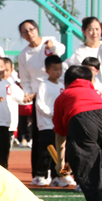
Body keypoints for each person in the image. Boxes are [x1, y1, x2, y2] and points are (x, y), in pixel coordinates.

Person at [53, 66, 102, 201]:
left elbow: (61, 136)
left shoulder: (64, 96)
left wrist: (60, 163)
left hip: (82, 118)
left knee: (85, 166)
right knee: (101, 161)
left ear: (66, 82)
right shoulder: (94, 92)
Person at [17, 19, 65, 167]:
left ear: (37, 29)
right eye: (25, 32)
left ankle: (59, 170)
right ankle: (40, 172)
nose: (29, 33)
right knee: (41, 136)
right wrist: (29, 94)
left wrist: (54, 46)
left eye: (31, 29)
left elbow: (61, 50)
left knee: (60, 134)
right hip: (40, 97)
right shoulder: (24, 54)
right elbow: (24, 78)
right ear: (22, 36)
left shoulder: (49, 42)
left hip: (56, 91)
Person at [35, 55, 68, 187]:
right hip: (46, 124)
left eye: (60, 69)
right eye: (55, 69)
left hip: (58, 124)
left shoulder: (62, 85)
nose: (58, 72)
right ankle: (40, 175)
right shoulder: (43, 85)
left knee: (59, 150)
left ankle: (57, 176)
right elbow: (40, 104)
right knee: (46, 151)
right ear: (47, 70)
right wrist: (52, 114)